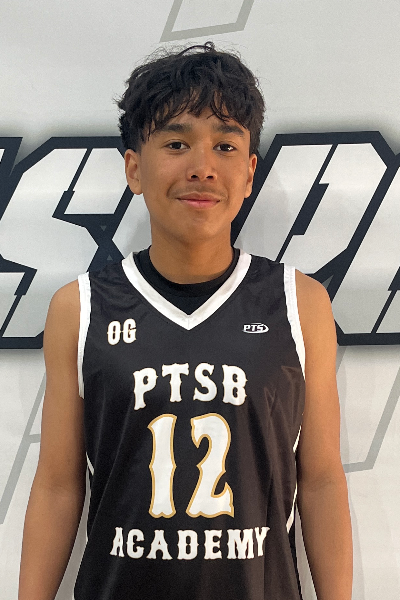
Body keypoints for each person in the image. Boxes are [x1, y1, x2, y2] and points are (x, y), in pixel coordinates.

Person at [18, 42, 352, 600]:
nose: (202, 167)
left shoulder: (300, 303)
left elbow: (319, 481)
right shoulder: (80, 307)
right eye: (176, 143)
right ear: (134, 168)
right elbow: (57, 485)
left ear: (249, 172)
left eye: (225, 145)